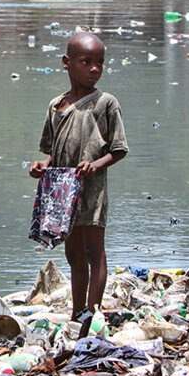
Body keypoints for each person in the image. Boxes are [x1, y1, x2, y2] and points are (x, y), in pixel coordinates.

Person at [29, 32, 128, 334]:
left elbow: (118, 149)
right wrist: (40, 166)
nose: (94, 69)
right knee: (73, 253)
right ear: (67, 63)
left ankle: (94, 312)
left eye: (100, 63)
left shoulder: (105, 103)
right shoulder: (56, 105)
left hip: (91, 188)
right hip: (62, 191)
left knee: (93, 250)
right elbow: (50, 150)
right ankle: (77, 311)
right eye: (86, 62)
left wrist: (94, 165)